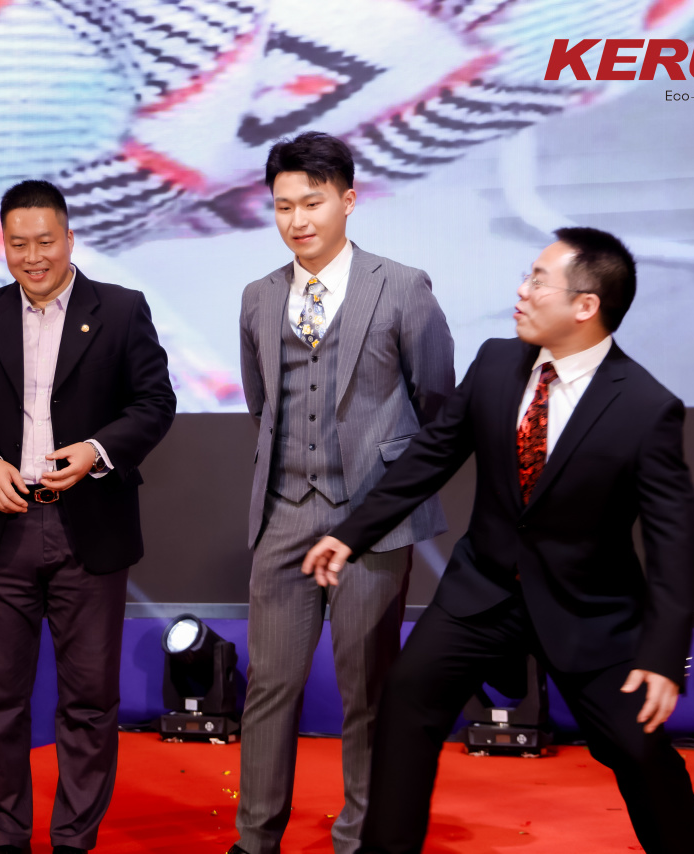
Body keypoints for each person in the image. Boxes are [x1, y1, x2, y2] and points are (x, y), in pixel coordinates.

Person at [304, 227, 694, 854]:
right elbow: (430, 457)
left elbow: (673, 541)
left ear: (585, 305)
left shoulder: (646, 408)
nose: (521, 291)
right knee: (406, 704)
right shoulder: (496, 363)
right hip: (482, 591)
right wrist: (351, 534)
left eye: (538, 281)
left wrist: (661, 655)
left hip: (588, 610)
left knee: (637, 749)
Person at [0, 180, 176, 854]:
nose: (32, 256)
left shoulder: (121, 309)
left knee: (89, 701)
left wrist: (97, 451)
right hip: (1, 525)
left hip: (88, 526)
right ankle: (5, 840)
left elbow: (155, 402)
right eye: (18, 244)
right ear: (3, 245)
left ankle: (73, 840)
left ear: (70, 238)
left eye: (45, 241)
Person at [230, 132, 454, 854]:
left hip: (372, 521)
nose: (297, 219)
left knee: (368, 689)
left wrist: (383, 494)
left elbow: (437, 404)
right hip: (283, 514)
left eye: (313, 202)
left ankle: (361, 838)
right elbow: (263, 404)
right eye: (283, 206)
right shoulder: (259, 297)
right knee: (269, 687)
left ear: (348, 201)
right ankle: (255, 838)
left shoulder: (403, 287)